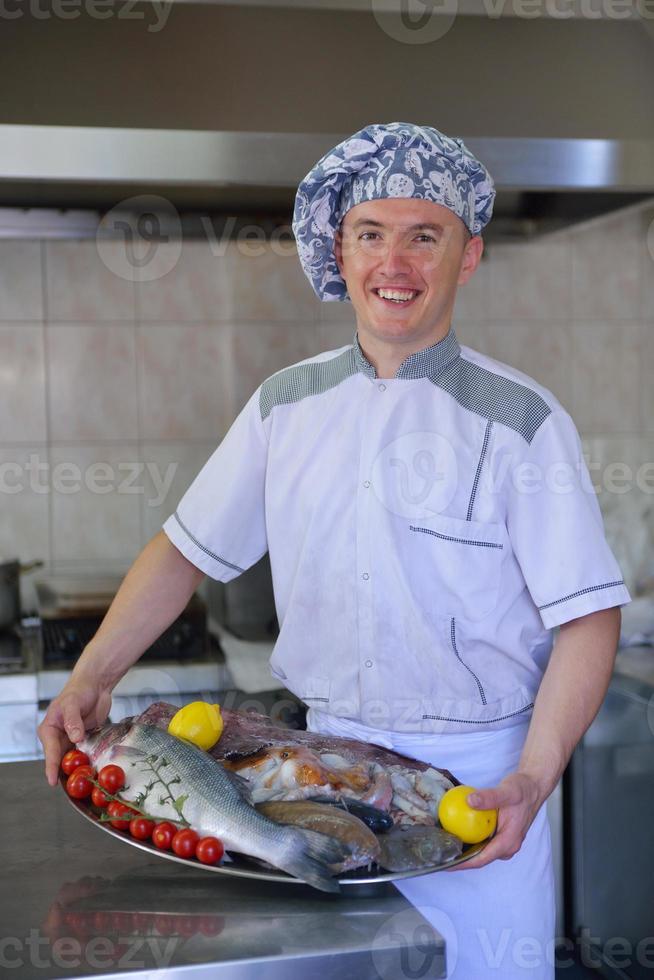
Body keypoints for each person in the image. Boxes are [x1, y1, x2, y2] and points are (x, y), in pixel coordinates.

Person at [39, 122, 630, 978]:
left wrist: (534, 779)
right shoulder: (285, 406)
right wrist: (90, 679)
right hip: (308, 775)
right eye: (370, 235)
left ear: (468, 257)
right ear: (340, 253)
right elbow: (186, 550)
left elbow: (588, 616)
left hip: (480, 797)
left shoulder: (522, 422)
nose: (395, 264)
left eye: (424, 236)